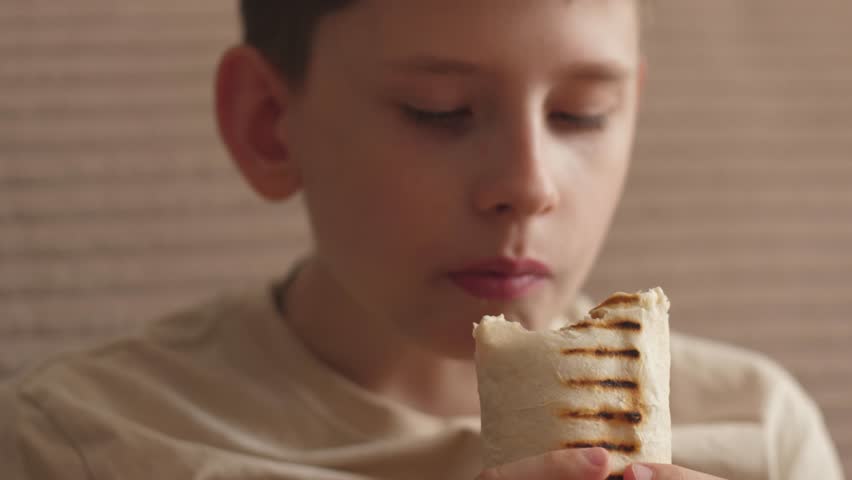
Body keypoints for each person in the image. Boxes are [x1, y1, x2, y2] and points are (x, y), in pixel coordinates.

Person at [0, 1, 844, 479]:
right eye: (439, 111)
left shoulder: (758, 431)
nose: (530, 184)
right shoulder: (83, 442)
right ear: (269, 125)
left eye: (580, 114)